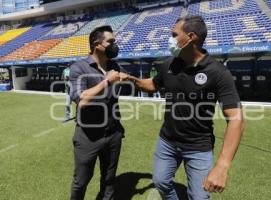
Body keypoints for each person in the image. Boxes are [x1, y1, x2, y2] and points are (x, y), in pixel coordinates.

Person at [128, 16, 244, 200]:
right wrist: (129, 79)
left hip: (198, 146)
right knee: (161, 182)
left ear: (190, 37)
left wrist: (222, 165)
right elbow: (152, 85)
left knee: (199, 197)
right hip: (167, 141)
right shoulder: (169, 64)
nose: (170, 39)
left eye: (174, 34)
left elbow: (236, 118)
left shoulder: (218, 72)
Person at [69, 25, 128, 200]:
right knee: (81, 181)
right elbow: (82, 100)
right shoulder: (78, 68)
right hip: (88, 136)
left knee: (109, 179)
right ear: (97, 44)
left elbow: (134, 82)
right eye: (110, 41)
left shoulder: (115, 65)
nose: (114, 45)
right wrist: (107, 81)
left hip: (113, 134)